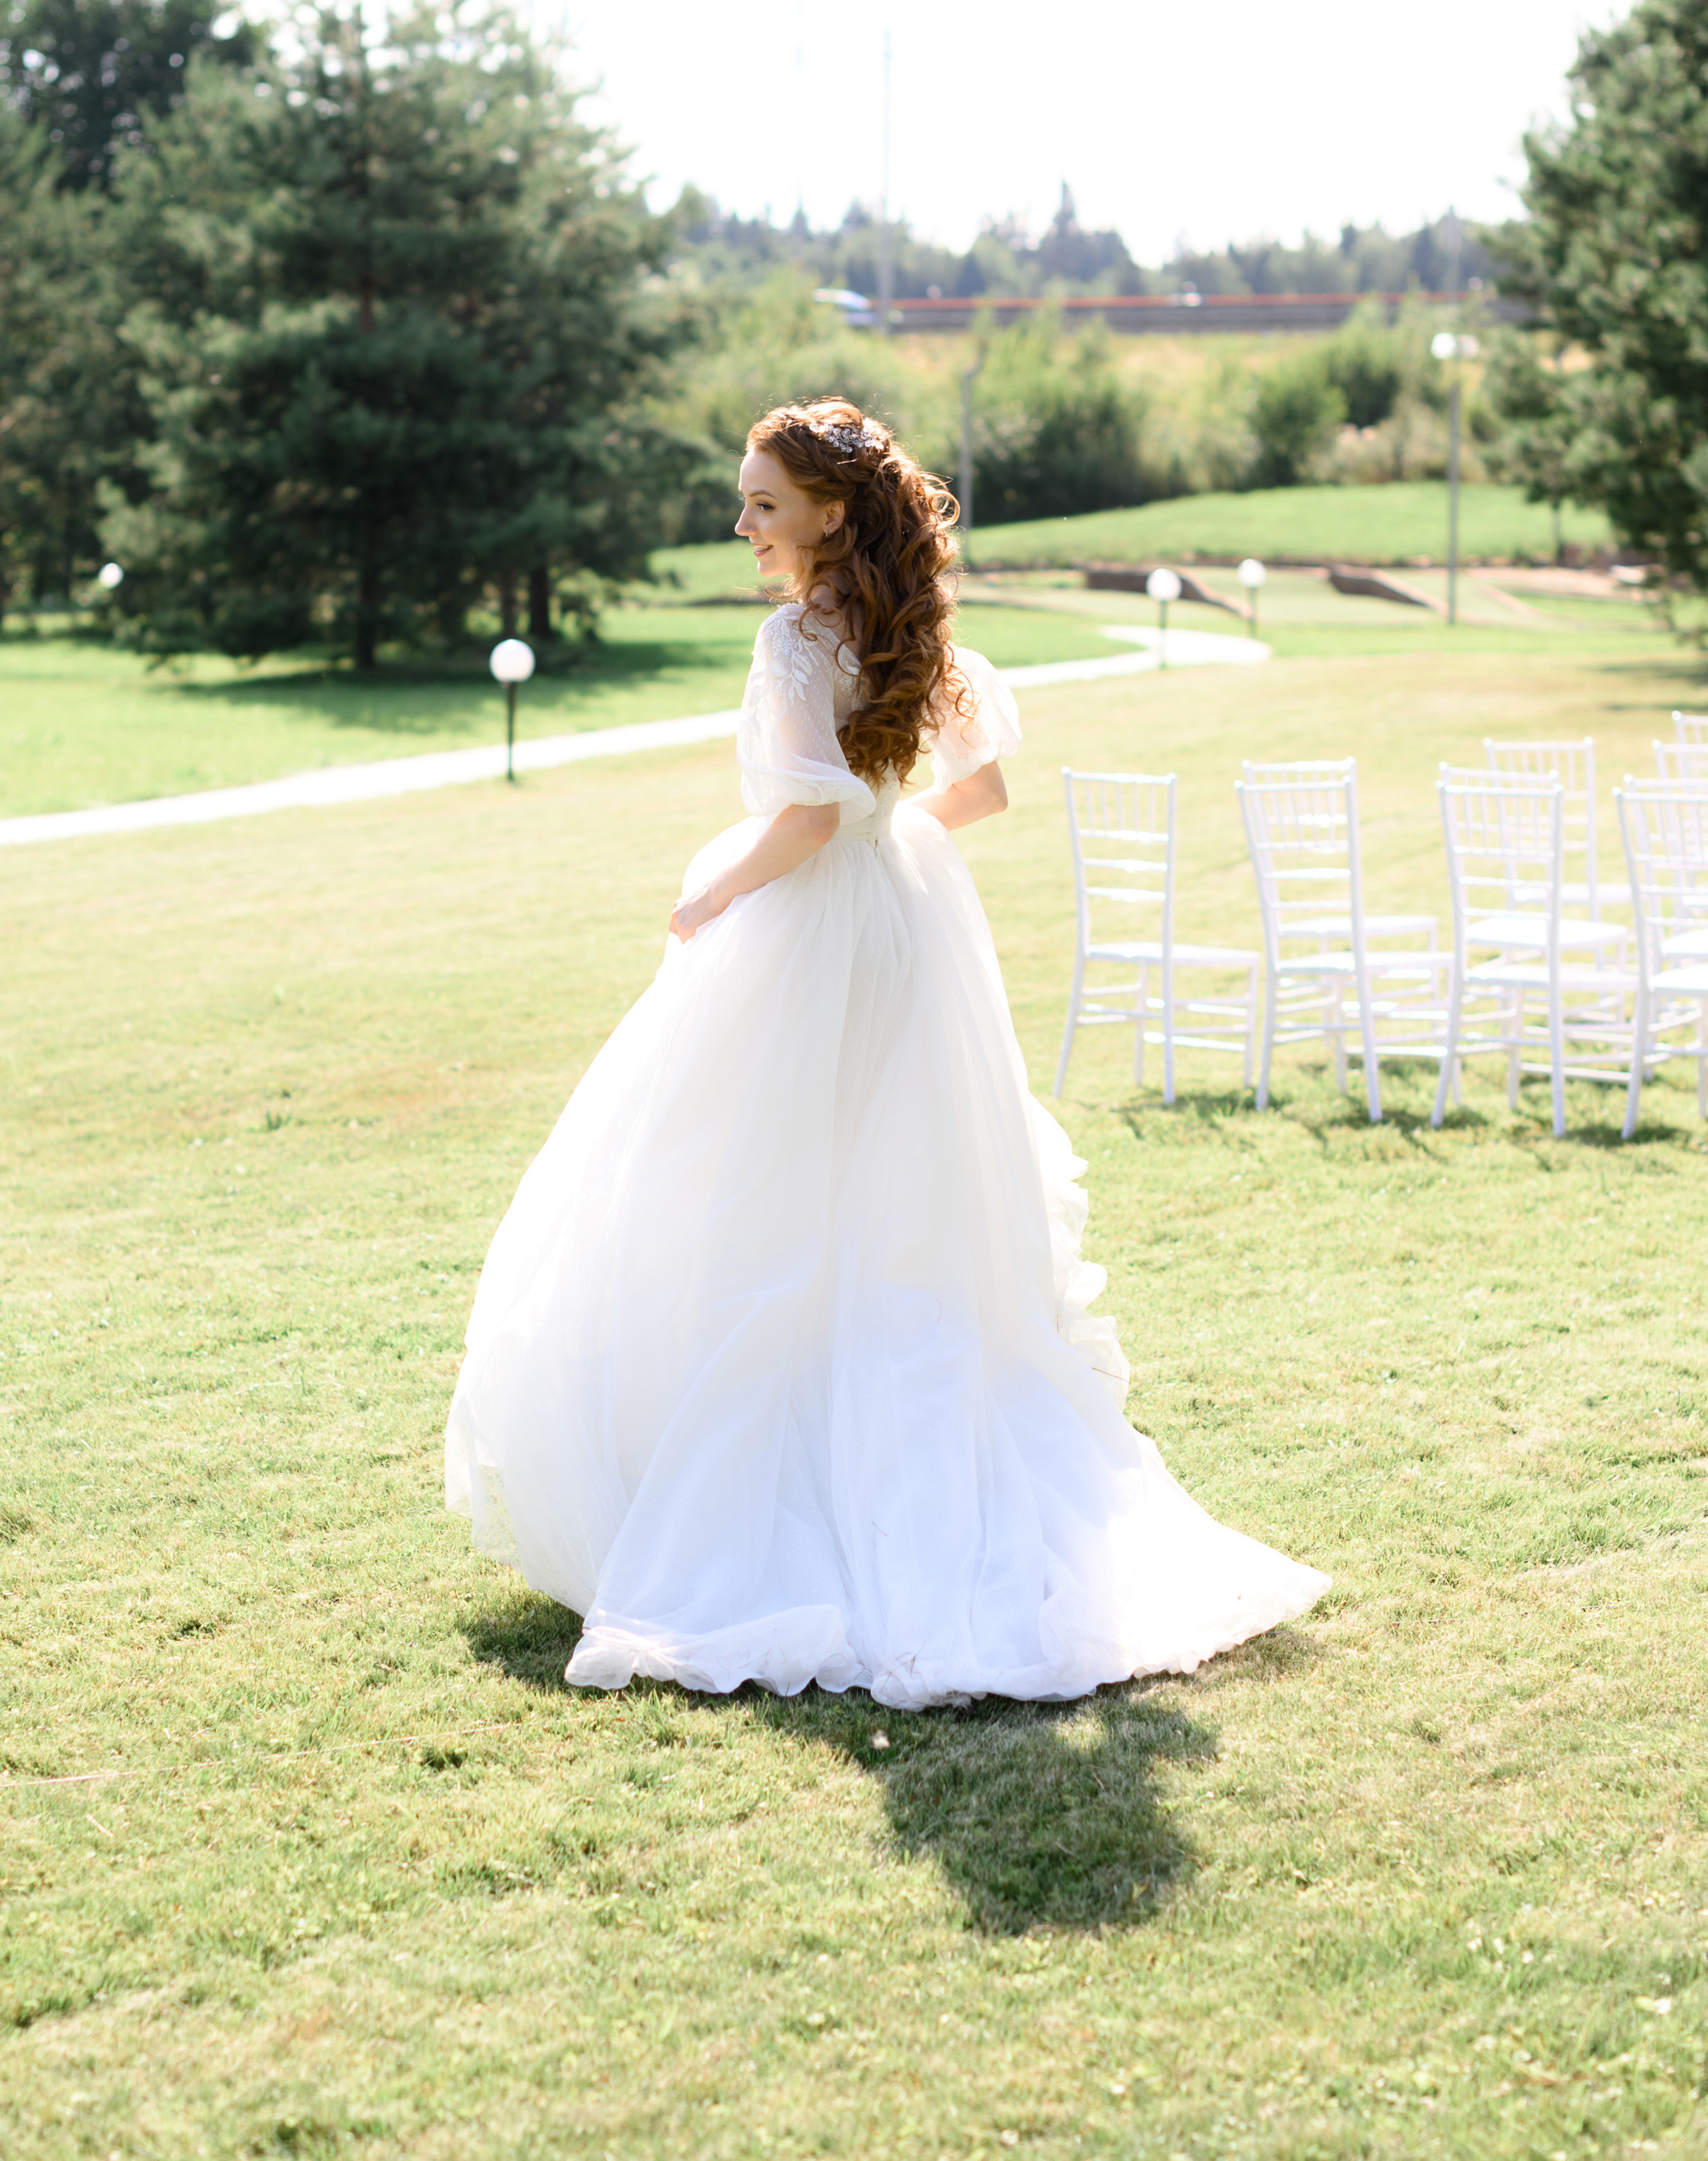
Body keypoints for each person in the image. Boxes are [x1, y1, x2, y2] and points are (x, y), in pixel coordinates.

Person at [445, 399, 1327, 1706]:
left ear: (831, 515)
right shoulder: (914, 636)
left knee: (752, 1194)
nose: (743, 522)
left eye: (763, 502)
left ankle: (759, 1506)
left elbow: (805, 814)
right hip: (904, 935)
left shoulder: (798, 638)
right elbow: (978, 791)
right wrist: (896, 841)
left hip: (804, 935)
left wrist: (712, 896)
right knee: (895, 1207)